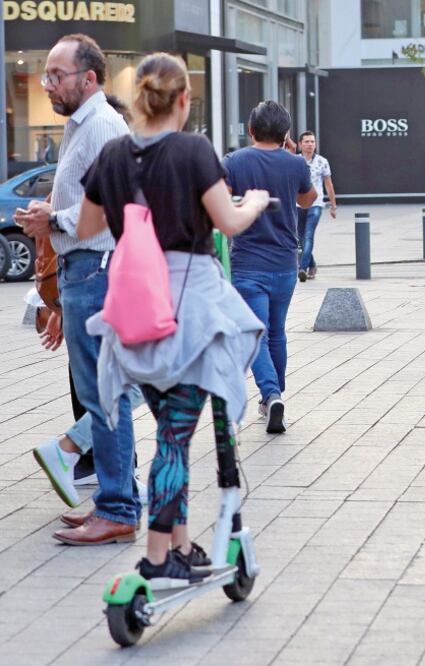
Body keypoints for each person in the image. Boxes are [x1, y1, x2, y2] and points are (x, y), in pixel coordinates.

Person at [77, 52, 270, 586]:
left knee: (168, 429)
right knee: (173, 441)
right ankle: (158, 557)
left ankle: (180, 547)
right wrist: (252, 202)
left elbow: (89, 224)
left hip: (134, 308)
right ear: (184, 99)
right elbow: (227, 224)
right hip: (188, 311)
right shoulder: (193, 150)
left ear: (139, 95)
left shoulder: (114, 154)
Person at [15, 34, 141, 546]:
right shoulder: (81, 126)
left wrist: (55, 218)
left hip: (96, 267)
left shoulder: (104, 126)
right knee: (104, 391)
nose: (47, 84)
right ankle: (117, 497)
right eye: (46, 74)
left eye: (57, 75)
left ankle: (116, 507)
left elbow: (119, 205)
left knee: (105, 393)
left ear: (89, 79)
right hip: (82, 269)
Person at [224, 101, 316, 434]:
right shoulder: (295, 164)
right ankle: (272, 400)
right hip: (285, 263)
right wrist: (291, 156)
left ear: (250, 130)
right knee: (276, 331)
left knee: (255, 334)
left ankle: (271, 393)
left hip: (248, 263)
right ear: (286, 134)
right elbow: (308, 199)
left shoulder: (235, 162)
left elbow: (220, 203)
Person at [296, 130, 336, 282]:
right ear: (300, 144)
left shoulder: (322, 161)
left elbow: (329, 184)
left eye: (312, 141)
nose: (310, 144)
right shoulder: (295, 161)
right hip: (298, 204)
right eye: (306, 142)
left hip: (316, 203)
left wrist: (333, 206)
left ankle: (302, 268)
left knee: (308, 235)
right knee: (299, 237)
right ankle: (312, 264)